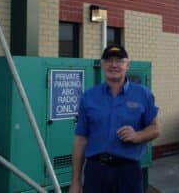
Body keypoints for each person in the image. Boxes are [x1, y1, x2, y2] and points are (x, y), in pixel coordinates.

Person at [69, 44, 160, 193]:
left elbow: (156, 128)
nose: (114, 65)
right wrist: (75, 181)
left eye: (119, 60)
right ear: (102, 64)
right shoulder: (89, 97)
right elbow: (80, 139)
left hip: (128, 171)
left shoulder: (143, 94)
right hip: (96, 172)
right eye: (109, 60)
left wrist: (137, 135)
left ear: (127, 65)